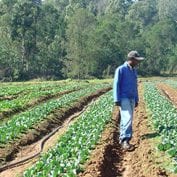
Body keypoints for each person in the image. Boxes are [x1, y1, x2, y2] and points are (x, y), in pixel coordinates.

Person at [113, 50, 144, 151]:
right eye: (136, 60)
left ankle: (123, 138)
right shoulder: (121, 69)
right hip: (123, 97)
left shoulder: (133, 71)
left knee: (126, 119)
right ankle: (125, 140)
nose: (138, 63)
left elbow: (135, 86)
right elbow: (116, 84)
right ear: (131, 59)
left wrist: (136, 99)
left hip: (131, 97)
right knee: (128, 118)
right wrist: (116, 99)